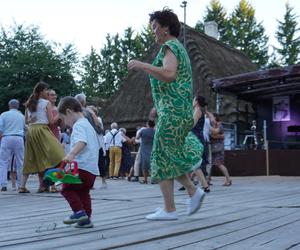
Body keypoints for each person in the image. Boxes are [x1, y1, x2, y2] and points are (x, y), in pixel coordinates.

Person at [128, 8, 205, 220]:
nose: (153, 31)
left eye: (155, 27)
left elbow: (169, 74)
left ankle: (172, 208)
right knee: (166, 156)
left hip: (173, 112)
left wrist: (142, 65)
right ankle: (190, 193)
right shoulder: (178, 48)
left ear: (165, 28)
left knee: (161, 157)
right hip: (175, 111)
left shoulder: (170, 46)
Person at [58, 96, 99, 228]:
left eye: (64, 118)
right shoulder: (89, 125)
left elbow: (82, 141)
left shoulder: (79, 125)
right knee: (83, 192)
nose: (65, 123)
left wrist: (72, 153)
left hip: (81, 166)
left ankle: (79, 213)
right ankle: (86, 219)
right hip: (92, 169)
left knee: (66, 188)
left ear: (69, 112)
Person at [19, 82, 64, 193]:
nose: (47, 92)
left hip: (31, 131)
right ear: (41, 91)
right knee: (59, 154)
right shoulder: (46, 103)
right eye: (46, 90)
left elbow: (26, 121)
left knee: (30, 157)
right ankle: (50, 183)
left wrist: (31, 121)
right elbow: (51, 121)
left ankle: (22, 186)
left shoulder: (29, 102)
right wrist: (60, 113)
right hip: (42, 130)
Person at [0, 99, 25, 192]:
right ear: (18, 106)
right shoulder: (21, 116)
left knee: (3, 162)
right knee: (20, 162)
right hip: (19, 138)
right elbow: (25, 128)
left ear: (9, 105)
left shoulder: (4, 114)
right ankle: (20, 184)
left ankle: (3, 185)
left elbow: (0, 128)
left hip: (6, 137)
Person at [210, 114, 232, 186]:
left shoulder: (219, 125)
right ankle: (207, 179)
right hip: (215, 147)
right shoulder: (214, 125)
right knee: (211, 164)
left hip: (218, 148)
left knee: (219, 164)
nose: (210, 119)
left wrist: (213, 135)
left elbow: (216, 134)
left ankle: (228, 179)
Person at [136, 120, 155, 184]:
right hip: (153, 149)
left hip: (144, 149)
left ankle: (145, 179)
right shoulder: (155, 131)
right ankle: (153, 179)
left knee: (144, 165)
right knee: (153, 164)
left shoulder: (143, 131)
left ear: (148, 124)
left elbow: (137, 137)